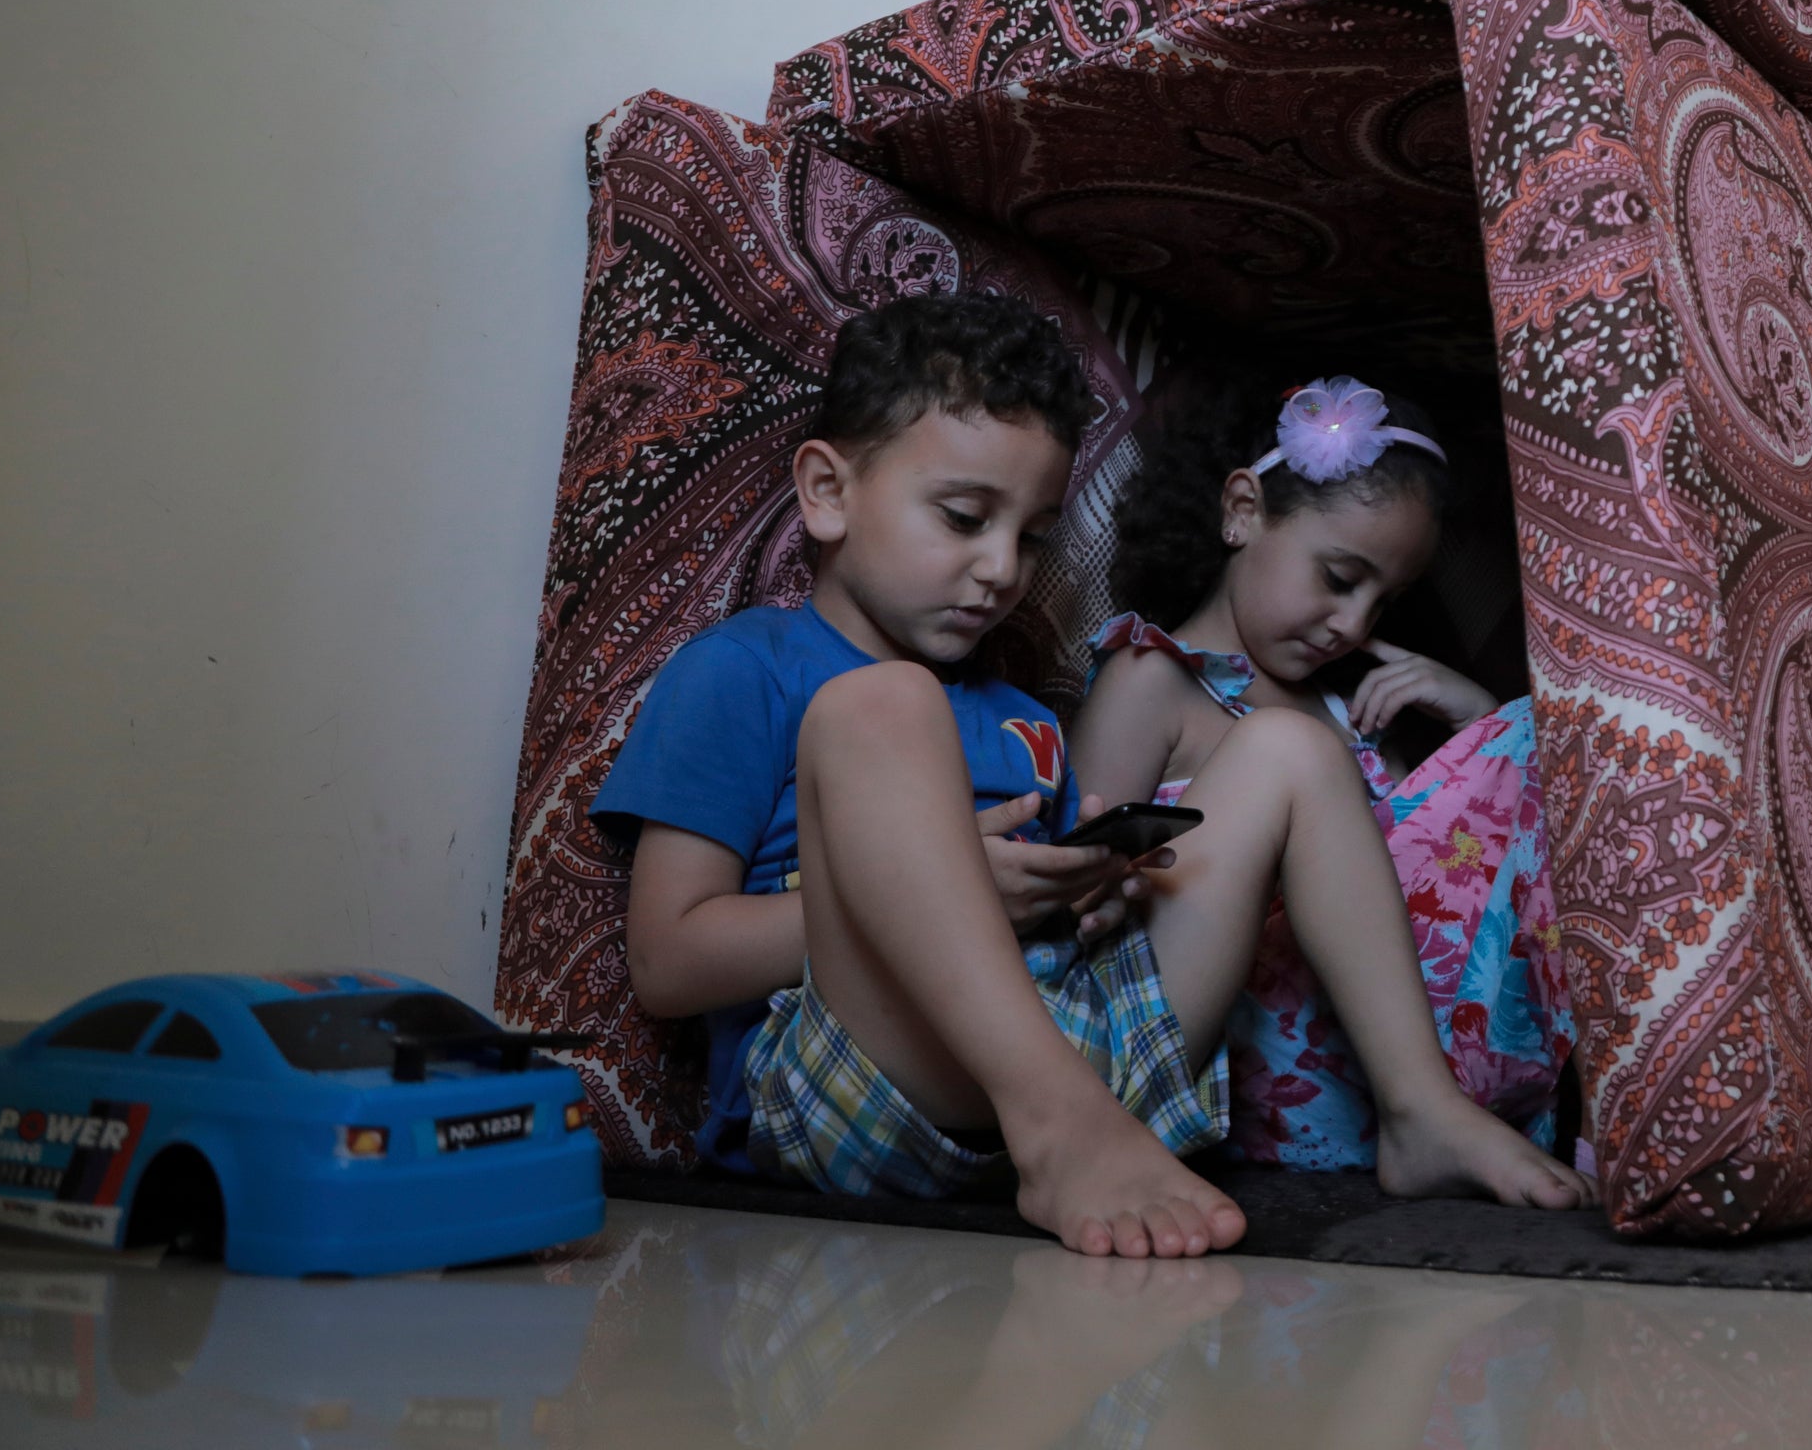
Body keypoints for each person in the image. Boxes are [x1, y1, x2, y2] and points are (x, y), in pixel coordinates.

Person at [595, 294, 1589, 1262]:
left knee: (1293, 749)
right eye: (962, 515)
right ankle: (1059, 1123)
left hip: (1083, 1049)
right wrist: (946, 890)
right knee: (886, 704)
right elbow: (669, 964)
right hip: (860, 1078)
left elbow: (1076, 917)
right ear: (827, 491)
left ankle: (1417, 1107)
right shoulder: (752, 666)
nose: (999, 568)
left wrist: (1101, 885)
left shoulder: (1026, 717)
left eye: (1030, 535)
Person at [1072, 376, 1575, 1168]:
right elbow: (1085, 903)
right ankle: (1431, 1117)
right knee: (1525, 734)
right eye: (1340, 579)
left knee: (1547, 736)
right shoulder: (1154, 681)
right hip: (1238, 1056)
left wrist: (1476, 714)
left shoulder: (1352, 714)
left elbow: (1449, 874)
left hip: (1391, 1049)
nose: (1353, 625)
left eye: (1384, 602)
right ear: (1243, 512)